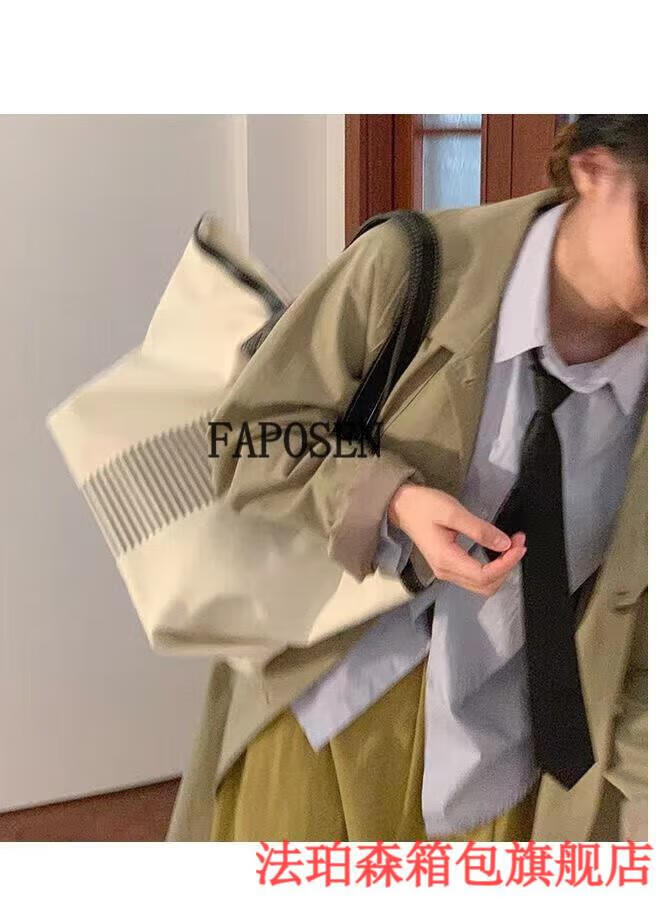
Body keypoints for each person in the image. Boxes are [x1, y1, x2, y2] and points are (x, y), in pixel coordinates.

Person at [167, 115, 648, 843]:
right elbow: (248, 436)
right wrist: (388, 499)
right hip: (325, 711)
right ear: (596, 171)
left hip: (510, 768)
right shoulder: (410, 267)